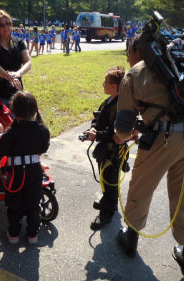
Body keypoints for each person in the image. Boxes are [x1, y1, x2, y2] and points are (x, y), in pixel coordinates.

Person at [113, 35, 184, 281]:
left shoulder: (135, 73)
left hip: (165, 138)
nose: (128, 58)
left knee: (141, 187)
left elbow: (123, 129)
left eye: (128, 52)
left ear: (138, 50)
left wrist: (118, 138)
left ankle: (131, 237)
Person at [0, 91, 50, 244]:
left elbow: (3, 151)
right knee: (34, 202)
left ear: (14, 111)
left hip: (16, 172)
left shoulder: (11, 133)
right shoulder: (42, 130)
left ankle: (13, 234)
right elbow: (43, 148)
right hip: (34, 170)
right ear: (35, 110)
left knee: (14, 202)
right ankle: (32, 234)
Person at [83, 66, 126, 231]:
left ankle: (107, 212)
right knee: (104, 178)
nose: (103, 85)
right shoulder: (108, 101)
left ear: (114, 87)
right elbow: (98, 117)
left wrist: (97, 135)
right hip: (104, 148)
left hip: (112, 151)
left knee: (110, 181)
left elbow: (114, 132)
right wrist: (94, 128)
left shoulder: (120, 106)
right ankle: (108, 199)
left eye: (105, 82)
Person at [0, 10, 31, 106]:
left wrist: (18, 73)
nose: (6, 27)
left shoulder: (19, 42)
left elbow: (28, 62)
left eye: (8, 23)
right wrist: (8, 76)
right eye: (2, 25)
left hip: (17, 89)